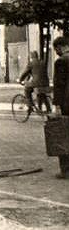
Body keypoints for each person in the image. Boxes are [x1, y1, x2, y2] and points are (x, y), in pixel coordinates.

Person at [52, 36, 69, 179]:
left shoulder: (61, 61)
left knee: (62, 134)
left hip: (67, 104)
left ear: (60, 47)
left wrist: (57, 105)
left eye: (55, 49)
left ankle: (66, 170)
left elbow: (59, 85)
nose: (56, 52)